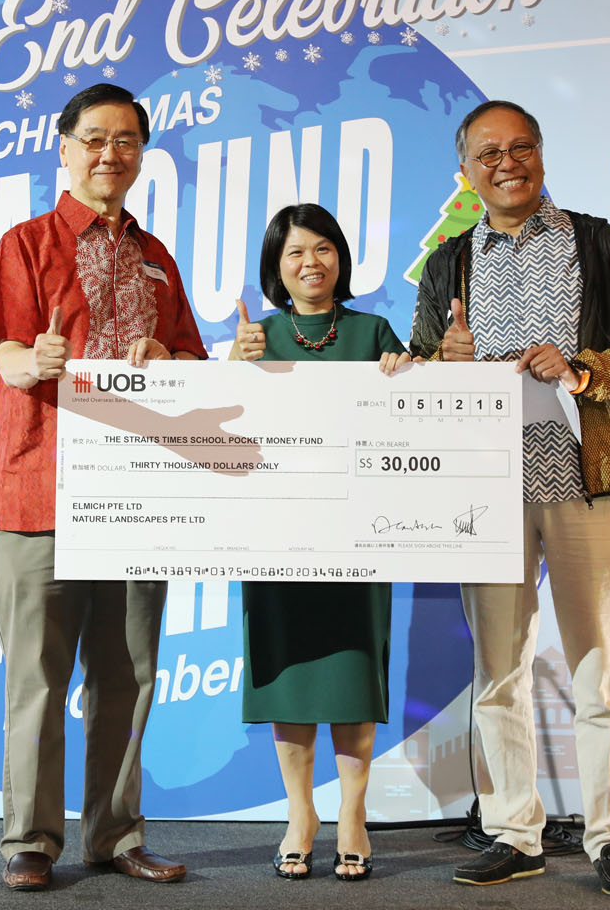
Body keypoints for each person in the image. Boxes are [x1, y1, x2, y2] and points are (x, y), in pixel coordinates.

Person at [408, 101, 610, 897]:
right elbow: (415, 369)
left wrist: (584, 370)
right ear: (466, 171)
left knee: (600, 670)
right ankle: (514, 833)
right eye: (488, 153)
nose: (507, 163)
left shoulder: (593, 240)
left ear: (542, 156)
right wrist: (441, 362)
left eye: (520, 148)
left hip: (583, 480)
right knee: (497, 672)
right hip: (486, 489)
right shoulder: (448, 263)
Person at [0, 83, 206, 892]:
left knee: (129, 678)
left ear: (142, 154)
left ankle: (116, 834)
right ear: (65, 147)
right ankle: (30, 842)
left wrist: (167, 360)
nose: (112, 154)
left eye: (128, 140)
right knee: (35, 680)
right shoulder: (27, 243)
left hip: (139, 497)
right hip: (40, 492)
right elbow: (1, 350)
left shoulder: (157, 257)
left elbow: (192, 363)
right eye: (97, 138)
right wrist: (29, 361)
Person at [229, 203, 413, 882]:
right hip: (277, 536)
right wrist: (233, 365)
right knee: (292, 675)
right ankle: (300, 813)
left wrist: (409, 373)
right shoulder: (258, 338)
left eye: (323, 248)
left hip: (358, 533)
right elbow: (222, 432)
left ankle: (354, 814)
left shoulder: (373, 332)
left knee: (352, 672)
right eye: (295, 253)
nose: (312, 263)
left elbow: (412, 421)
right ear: (276, 268)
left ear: (340, 256)